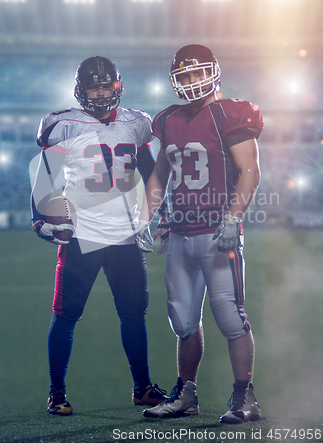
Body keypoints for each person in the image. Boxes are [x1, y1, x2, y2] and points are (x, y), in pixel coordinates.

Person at [31, 56, 170, 415]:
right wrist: (39, 218)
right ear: (81, 90)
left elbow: (152, 172)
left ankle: (142, 388)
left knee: (133, 314)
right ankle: (56, 392)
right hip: (82, 234)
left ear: (117, 86)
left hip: (125, 234)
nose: (99, 92)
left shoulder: (136, 123)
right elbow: (45, 174)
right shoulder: (65, 124)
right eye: (93, 86)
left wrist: (160, 213)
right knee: (66, 315)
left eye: (105, 85)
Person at [135, 44, 264, 423]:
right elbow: (160, 173)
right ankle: (186, 395)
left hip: (217, 233)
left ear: (213, 73)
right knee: (183, 320)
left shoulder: (231, 113)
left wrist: (232, 218)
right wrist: (147, 217)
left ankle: (246, 398)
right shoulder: (169, 119)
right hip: (180, 234)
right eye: (184, 76)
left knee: (230, 317)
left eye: (196, 73)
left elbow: (250, 171)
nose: (191, 81)